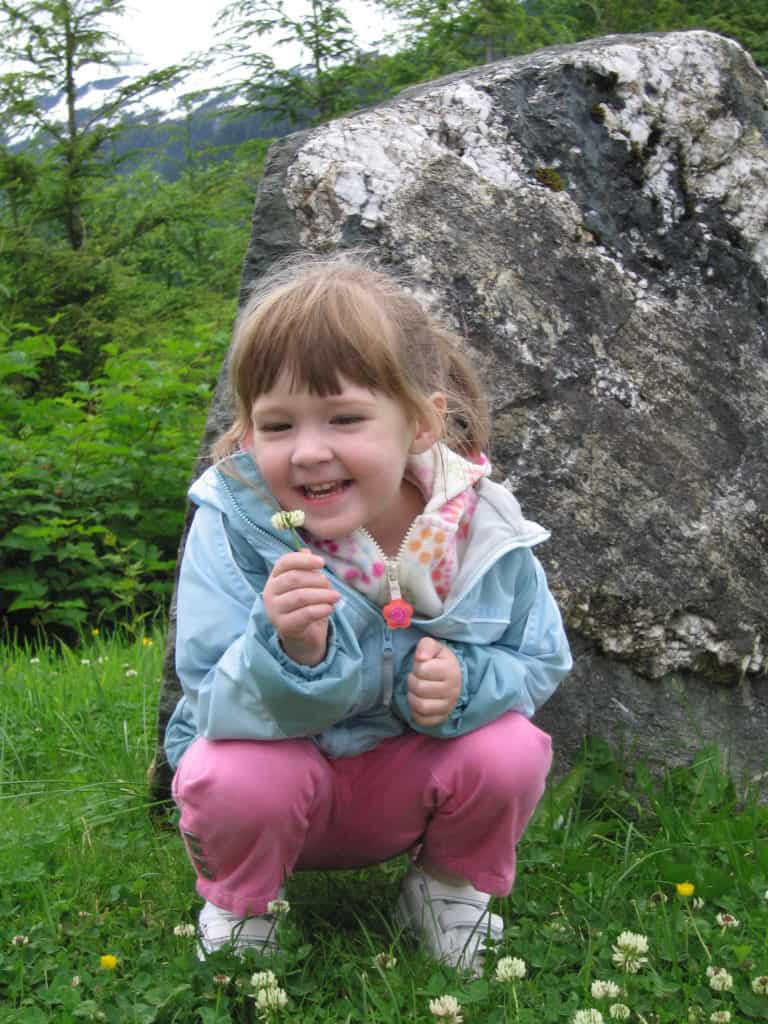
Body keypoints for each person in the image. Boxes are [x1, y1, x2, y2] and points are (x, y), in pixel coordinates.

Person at [164, 254, 572, 975]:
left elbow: (539, 658)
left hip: (405, 789)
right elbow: (205, 694)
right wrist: (288, 649)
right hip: (281, 787)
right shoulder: (235, 523)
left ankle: (445, 892)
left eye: (345, 418)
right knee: (228, 774)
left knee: (509, 749)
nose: (310, 451)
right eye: (277, 425)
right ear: (247, 430)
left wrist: (465, 684)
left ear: (420, 423)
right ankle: (243, 910)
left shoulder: (480, 526)